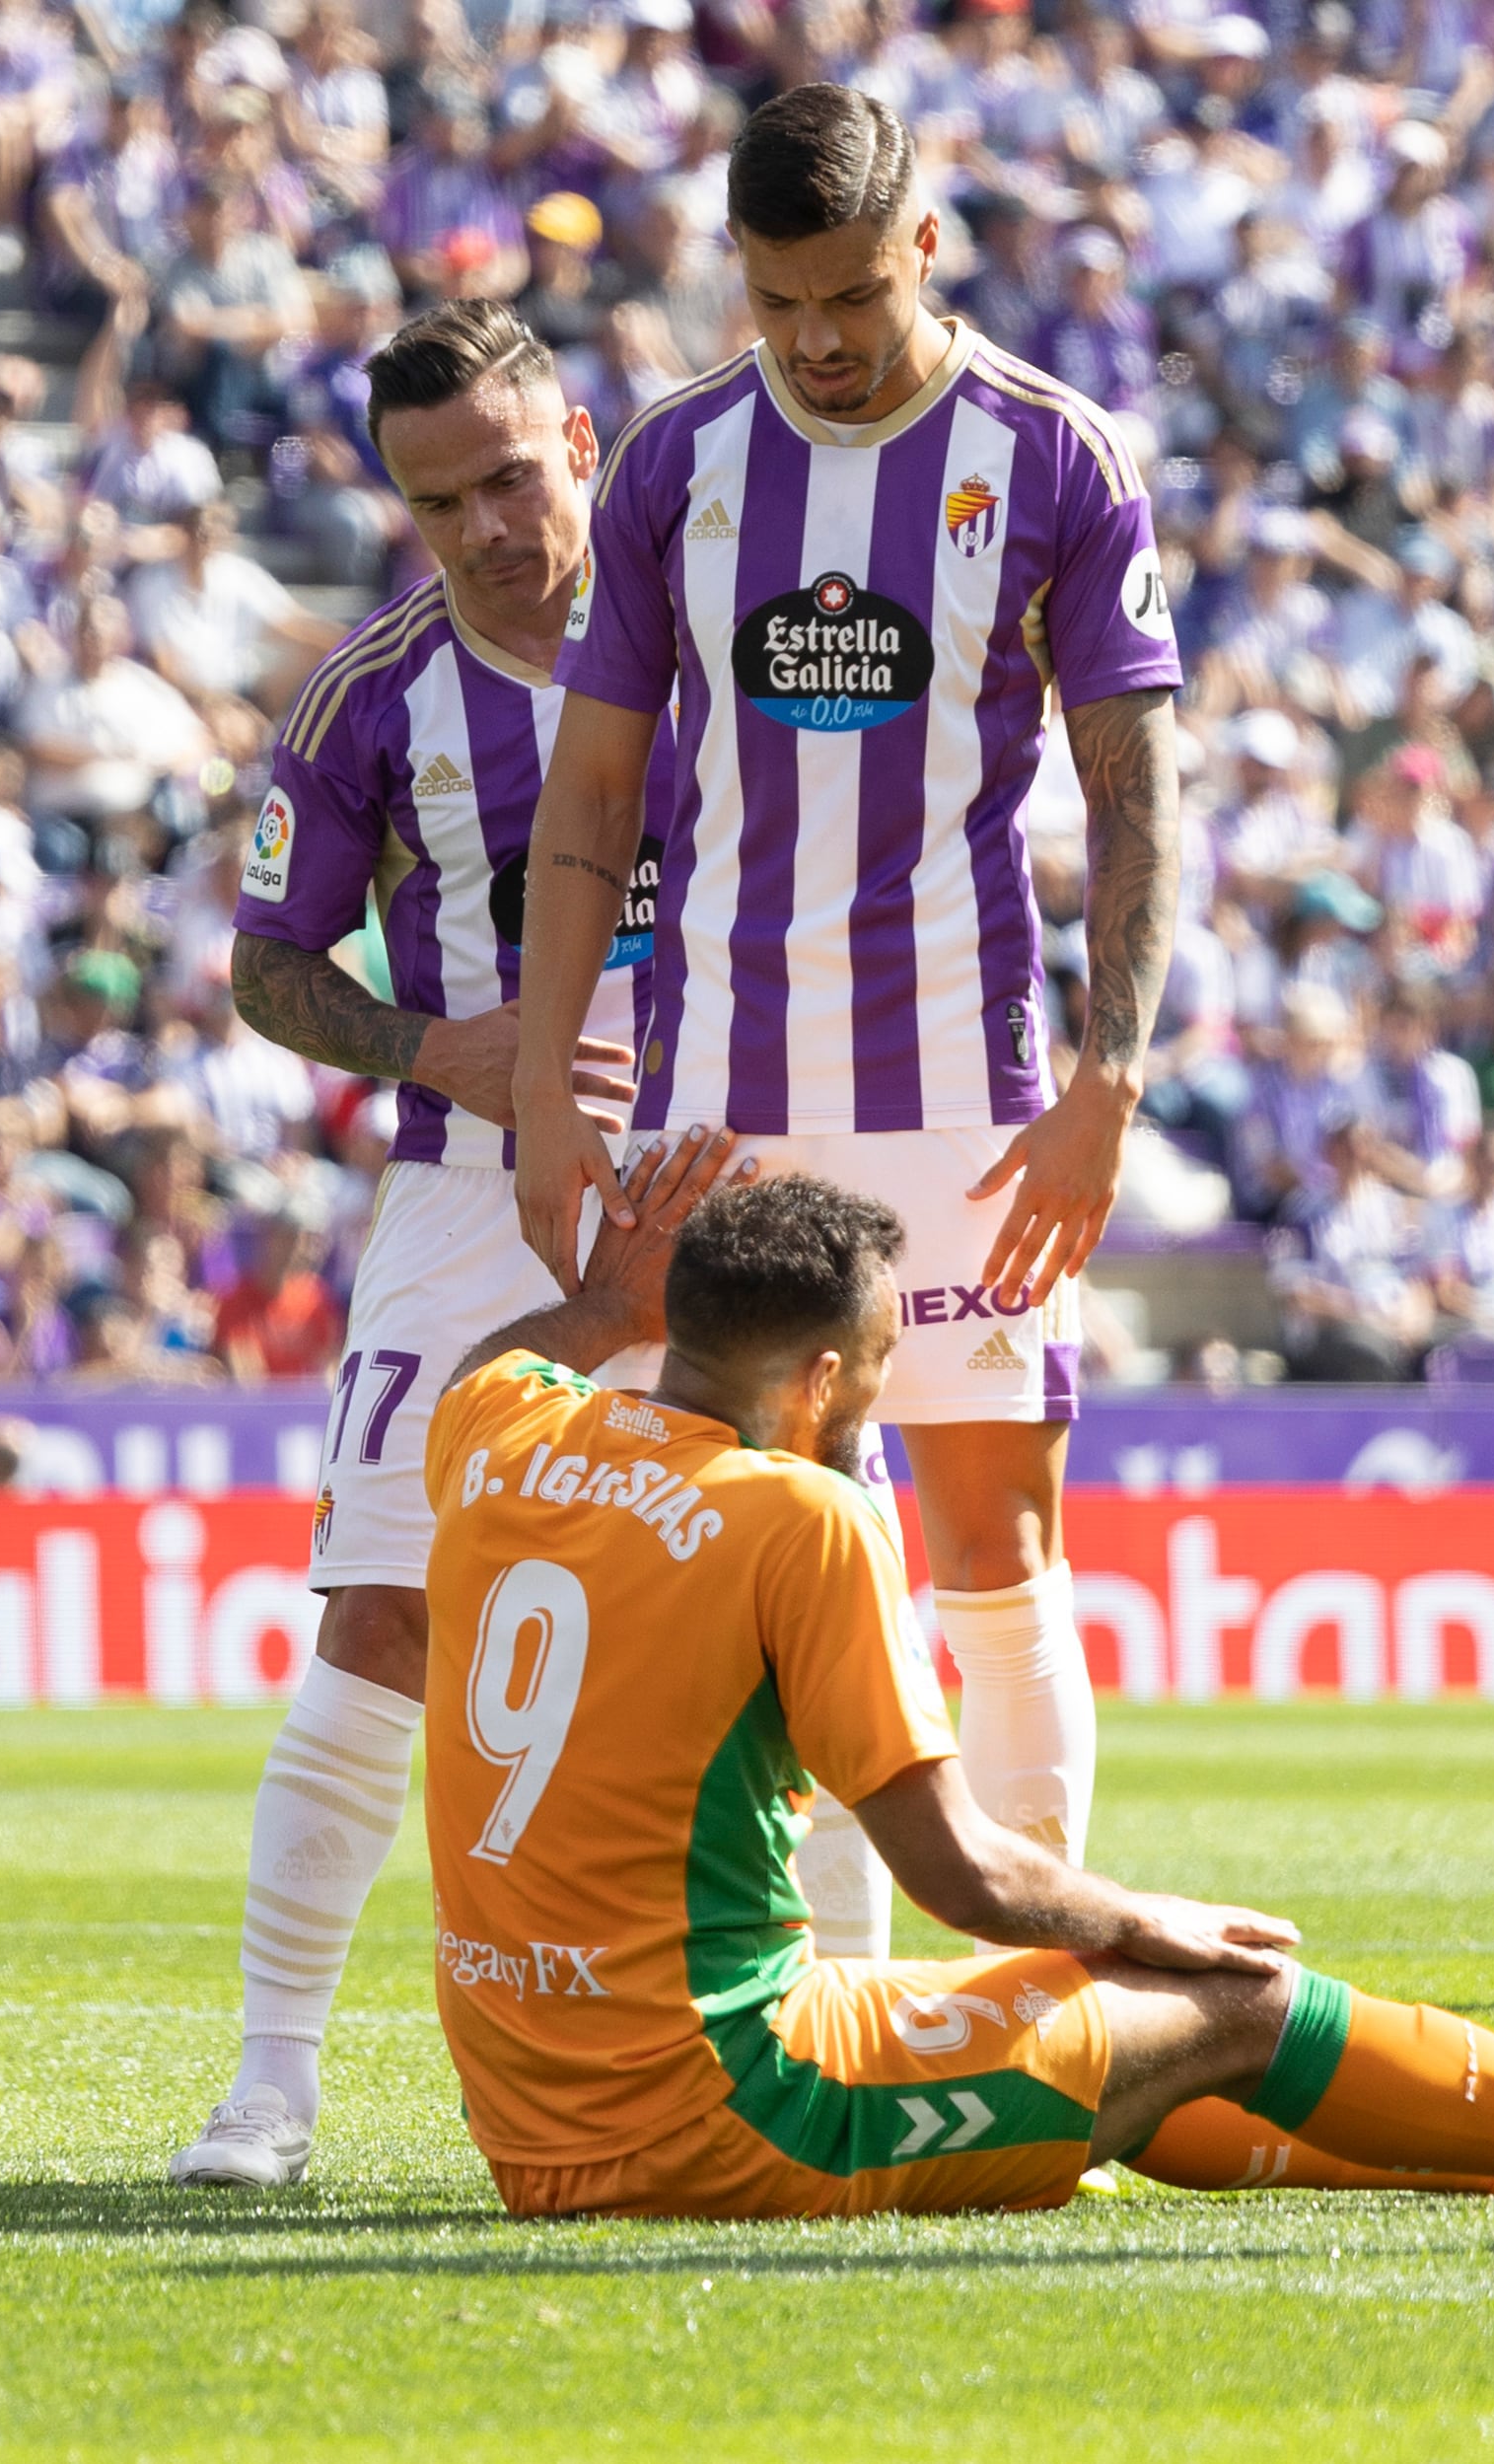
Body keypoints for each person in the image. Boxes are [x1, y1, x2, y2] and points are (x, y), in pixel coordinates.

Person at [414, 1147, 1494, 2220]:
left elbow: (483, 1368)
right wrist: (1150, 1914)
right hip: (722, 2113)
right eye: (878, 1378)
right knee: (1229, 1993)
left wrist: (605, 1301)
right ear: (821, 1378)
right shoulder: (800, 1519)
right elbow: (958, 1871)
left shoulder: (506, 1428)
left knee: (1117, 2030)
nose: (878, 1409)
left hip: (532, 2111)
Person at [508, 86, 1185, 1975]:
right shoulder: (672, 466)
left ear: (926, 250)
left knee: (989, 1556)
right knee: (767, 1558)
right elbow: (587, 813)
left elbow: (1137, 795)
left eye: (852, 298)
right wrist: (561, 1095)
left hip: (967, 1103)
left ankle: (1043, 2005)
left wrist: (1104, 1078)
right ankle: (827, 2006)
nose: (814, 338)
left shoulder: (1054, 458)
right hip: (721, 1103)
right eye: (777, 298)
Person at [171, 301, 647, 2189]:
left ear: (582, 442)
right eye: (437, 500)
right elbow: (265, 962)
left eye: (510, 480)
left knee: (808, 1583)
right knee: (383, 1608)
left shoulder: (713, 624)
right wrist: (421, 1040)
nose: (481, 530)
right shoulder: (369, 695)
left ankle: (832, 2010)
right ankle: (271, 2081)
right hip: (464, 1191)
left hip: (722, 1176)